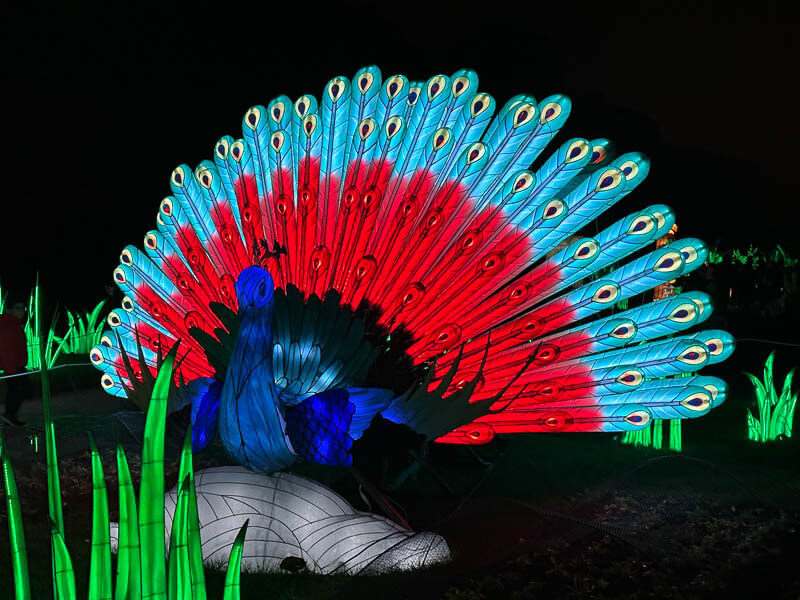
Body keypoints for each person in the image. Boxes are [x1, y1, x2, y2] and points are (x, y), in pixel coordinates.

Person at [0, 300, 30, 426]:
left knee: (17, 390)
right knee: (18, 390)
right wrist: (10, 370)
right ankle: (9, 415)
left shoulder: (14, 324)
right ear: (9, 310)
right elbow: (6, 349)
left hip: (17, 365)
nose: (22, 311)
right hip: (13, 367)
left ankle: (9, 416)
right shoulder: (8, 325)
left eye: (23, 308)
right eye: (18, 308)